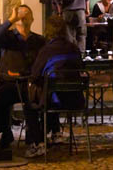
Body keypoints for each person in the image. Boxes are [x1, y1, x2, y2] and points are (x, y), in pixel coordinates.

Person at [0, 5, 45, 152]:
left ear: (32, 19)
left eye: (27, 14)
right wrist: (11, 20)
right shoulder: (7, 38)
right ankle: (6, 134)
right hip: (9, 83)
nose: (23, 17)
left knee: (33, 102)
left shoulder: (39, 40)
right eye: (20, 14)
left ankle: (34, 139)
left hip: (29, 84)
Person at [25, 15, 83, 157]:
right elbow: (80, 68)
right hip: (74, 99)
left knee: (30, 102)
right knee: (52, 89)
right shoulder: (74, 48)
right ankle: (55, 131)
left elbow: (34, 74)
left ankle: (38, 142)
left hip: (53, 99)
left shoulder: (46, 50)